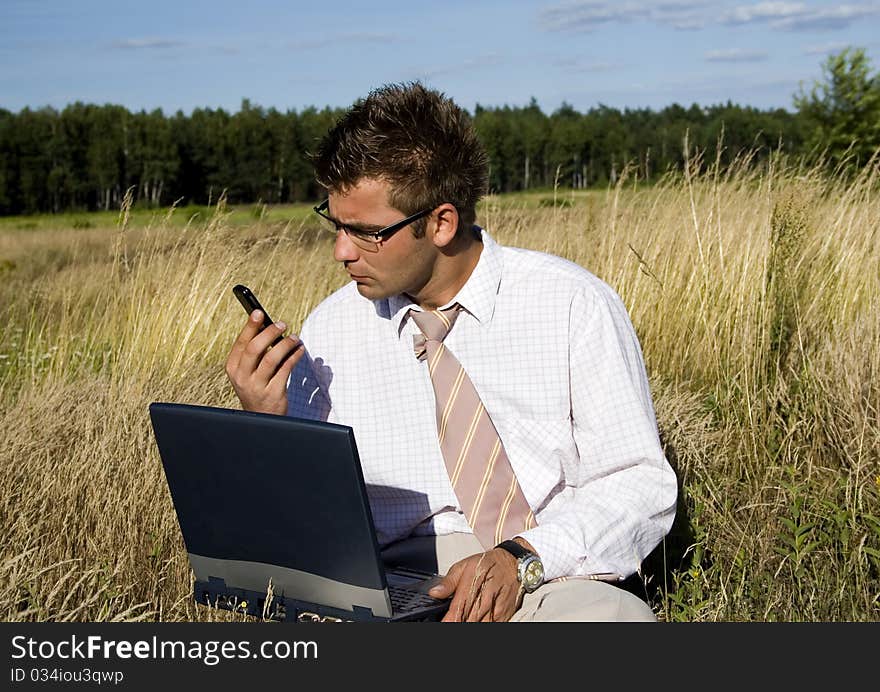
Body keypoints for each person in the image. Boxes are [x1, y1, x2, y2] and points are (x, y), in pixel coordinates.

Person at [225, 82, 677, 622]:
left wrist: (524, 559)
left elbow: (637, 483)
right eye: (335, 222)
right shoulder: (330, 328)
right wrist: (268, 426)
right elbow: (306, 519)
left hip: (541, 570)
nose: (340, 251)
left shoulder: (573, 304)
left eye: (365, 233)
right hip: (385, 581)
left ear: (441, 222)